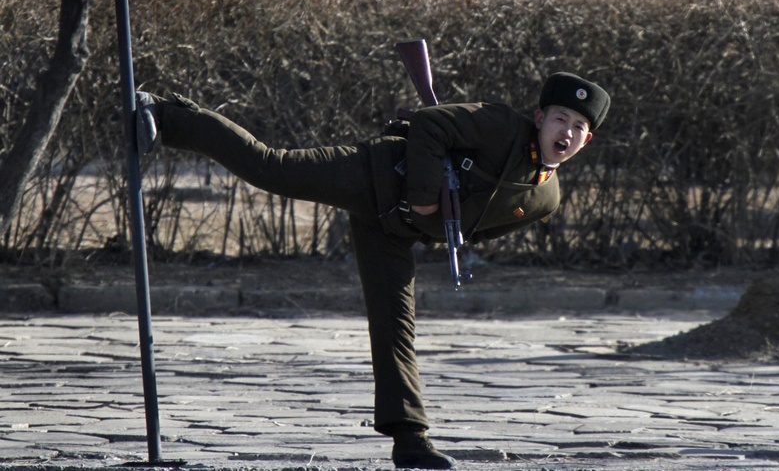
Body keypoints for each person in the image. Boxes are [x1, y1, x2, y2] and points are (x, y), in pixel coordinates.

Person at [134, 71, 610, 469]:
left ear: (587, 140)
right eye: (561, 118)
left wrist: (444, 227)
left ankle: (409, 440)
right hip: (375, 176)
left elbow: (477, 230)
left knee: (395, 328)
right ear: (541, 118)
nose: (566, 132)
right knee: (271, 167)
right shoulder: (502, 124)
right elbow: (429, 123)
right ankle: (166, 114)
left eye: (578, 127)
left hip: (394, 233)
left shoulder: (546, 197)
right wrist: (427, 194)